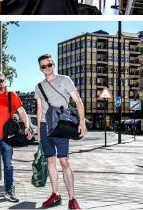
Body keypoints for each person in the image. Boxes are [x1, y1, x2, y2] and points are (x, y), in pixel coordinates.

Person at [34, 54, 87, 209]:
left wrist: (82, 122)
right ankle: (55, 194)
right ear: (40, 68)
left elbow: (78, 101)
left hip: (61, 125)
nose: (47, 68)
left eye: (49, 65)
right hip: (45, 127)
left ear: (53, 64)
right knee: (50, 160)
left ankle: (72, 199)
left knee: (64, 161)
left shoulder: (65, 79)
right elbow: (39, 110)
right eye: (43, 66)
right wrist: (38, 131)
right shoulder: (39, 86)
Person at [0, 72, 33, 202]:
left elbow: (22, 112)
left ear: (5, 82)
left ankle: (9, 191)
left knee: (8, 165)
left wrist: (27, 126)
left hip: (7, 138)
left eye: (1, 81)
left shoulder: (12, 95)